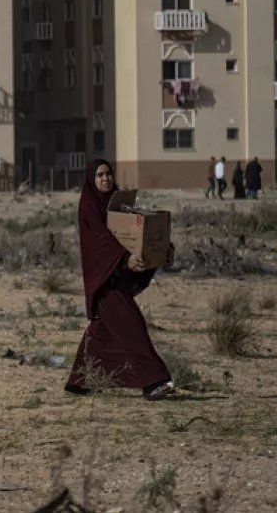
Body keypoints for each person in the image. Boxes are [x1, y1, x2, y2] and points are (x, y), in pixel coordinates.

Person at [64, 160, 173, 401]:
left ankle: (80, 379)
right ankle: (154, 381)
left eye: (108, 174)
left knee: (101, 330)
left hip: (118, 277)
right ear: (92, 179)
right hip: (104, 281)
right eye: (100, 175)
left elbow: (133, 230)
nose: (105, 179)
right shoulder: (89, 206)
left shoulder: (116, 202)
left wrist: (159, 249)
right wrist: (125, 259)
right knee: (132, 325)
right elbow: (99, 243)